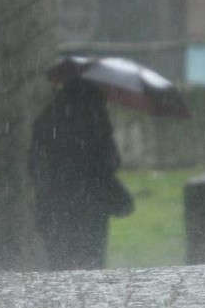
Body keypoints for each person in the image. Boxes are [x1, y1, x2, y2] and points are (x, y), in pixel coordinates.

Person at [28, 78, 135, 270]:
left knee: (59, 266)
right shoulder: (94, 120)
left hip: (54, 208)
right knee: (90, 266)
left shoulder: (46, 120)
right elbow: (109, 163)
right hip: (90, 208)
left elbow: (34, 166)